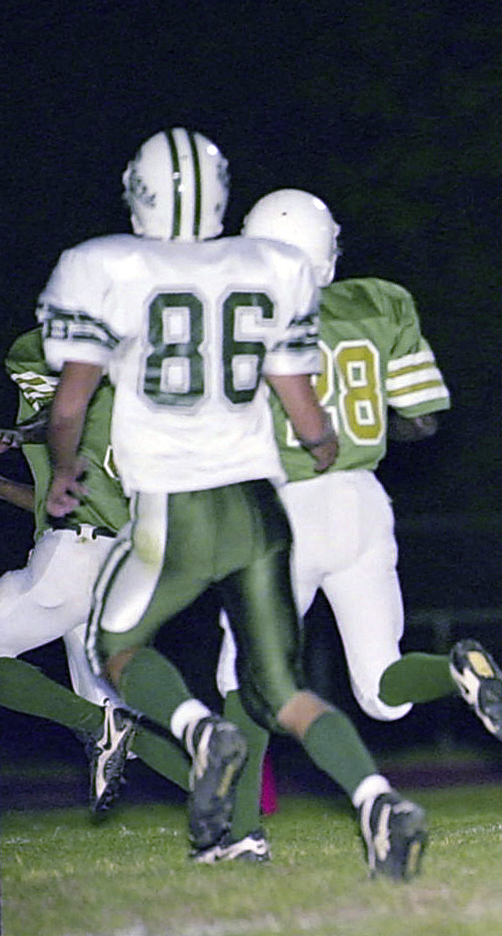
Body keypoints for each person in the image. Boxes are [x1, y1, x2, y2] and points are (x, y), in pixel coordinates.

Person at [39, 127, 424, 879]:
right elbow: (302, 405)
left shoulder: (103, 265)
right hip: (259, 509)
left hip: (174, 508)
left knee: (112, 645)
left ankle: (197, 730)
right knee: (279, 688)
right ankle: (378, 800)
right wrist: (321, 443)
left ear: (141, 194)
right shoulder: (268, 268)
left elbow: (69, 405)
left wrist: (62, 469)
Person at [203, 188, 502, 859]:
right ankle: (453, 671)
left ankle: (241, 832)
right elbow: (423, 419)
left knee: (243, 673)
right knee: (382, 686)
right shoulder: (379, 302)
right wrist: (363, 429)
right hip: (363, 502)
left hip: (285, 507)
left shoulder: (241, 314)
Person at [1, 330, 193, 812]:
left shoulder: (80, 379)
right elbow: (58, 497)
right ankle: (234, 800)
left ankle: (95, 725)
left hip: (76, 555)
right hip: (118, 563)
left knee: (101, 719)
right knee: (115, 712)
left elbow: (62, 408)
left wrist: (19, 433)